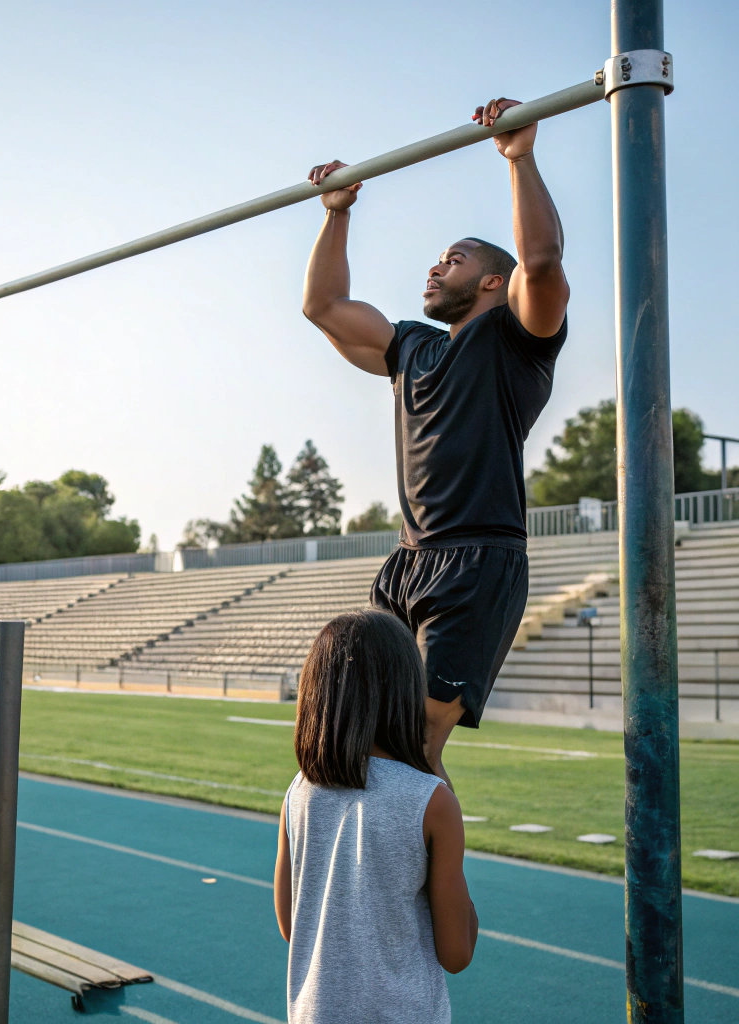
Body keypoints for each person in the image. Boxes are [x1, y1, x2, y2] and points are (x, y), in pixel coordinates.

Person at [302, 98, 570, 787]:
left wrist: (519, 158)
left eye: (451, 261)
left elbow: (539, 261)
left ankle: (435, 894)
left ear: (490, 281)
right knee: (358, 739)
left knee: (413, 746)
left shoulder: (515, 342)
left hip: (477, 561)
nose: (433, 269)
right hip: (407, 562)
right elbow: (323, 307)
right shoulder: (411, 348)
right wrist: (336, 213)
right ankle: (372, 886)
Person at [275, 610, 476, 1024]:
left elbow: (291, 926)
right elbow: (457, 953)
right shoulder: (433, 801)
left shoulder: (298, 791)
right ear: (404, 690)